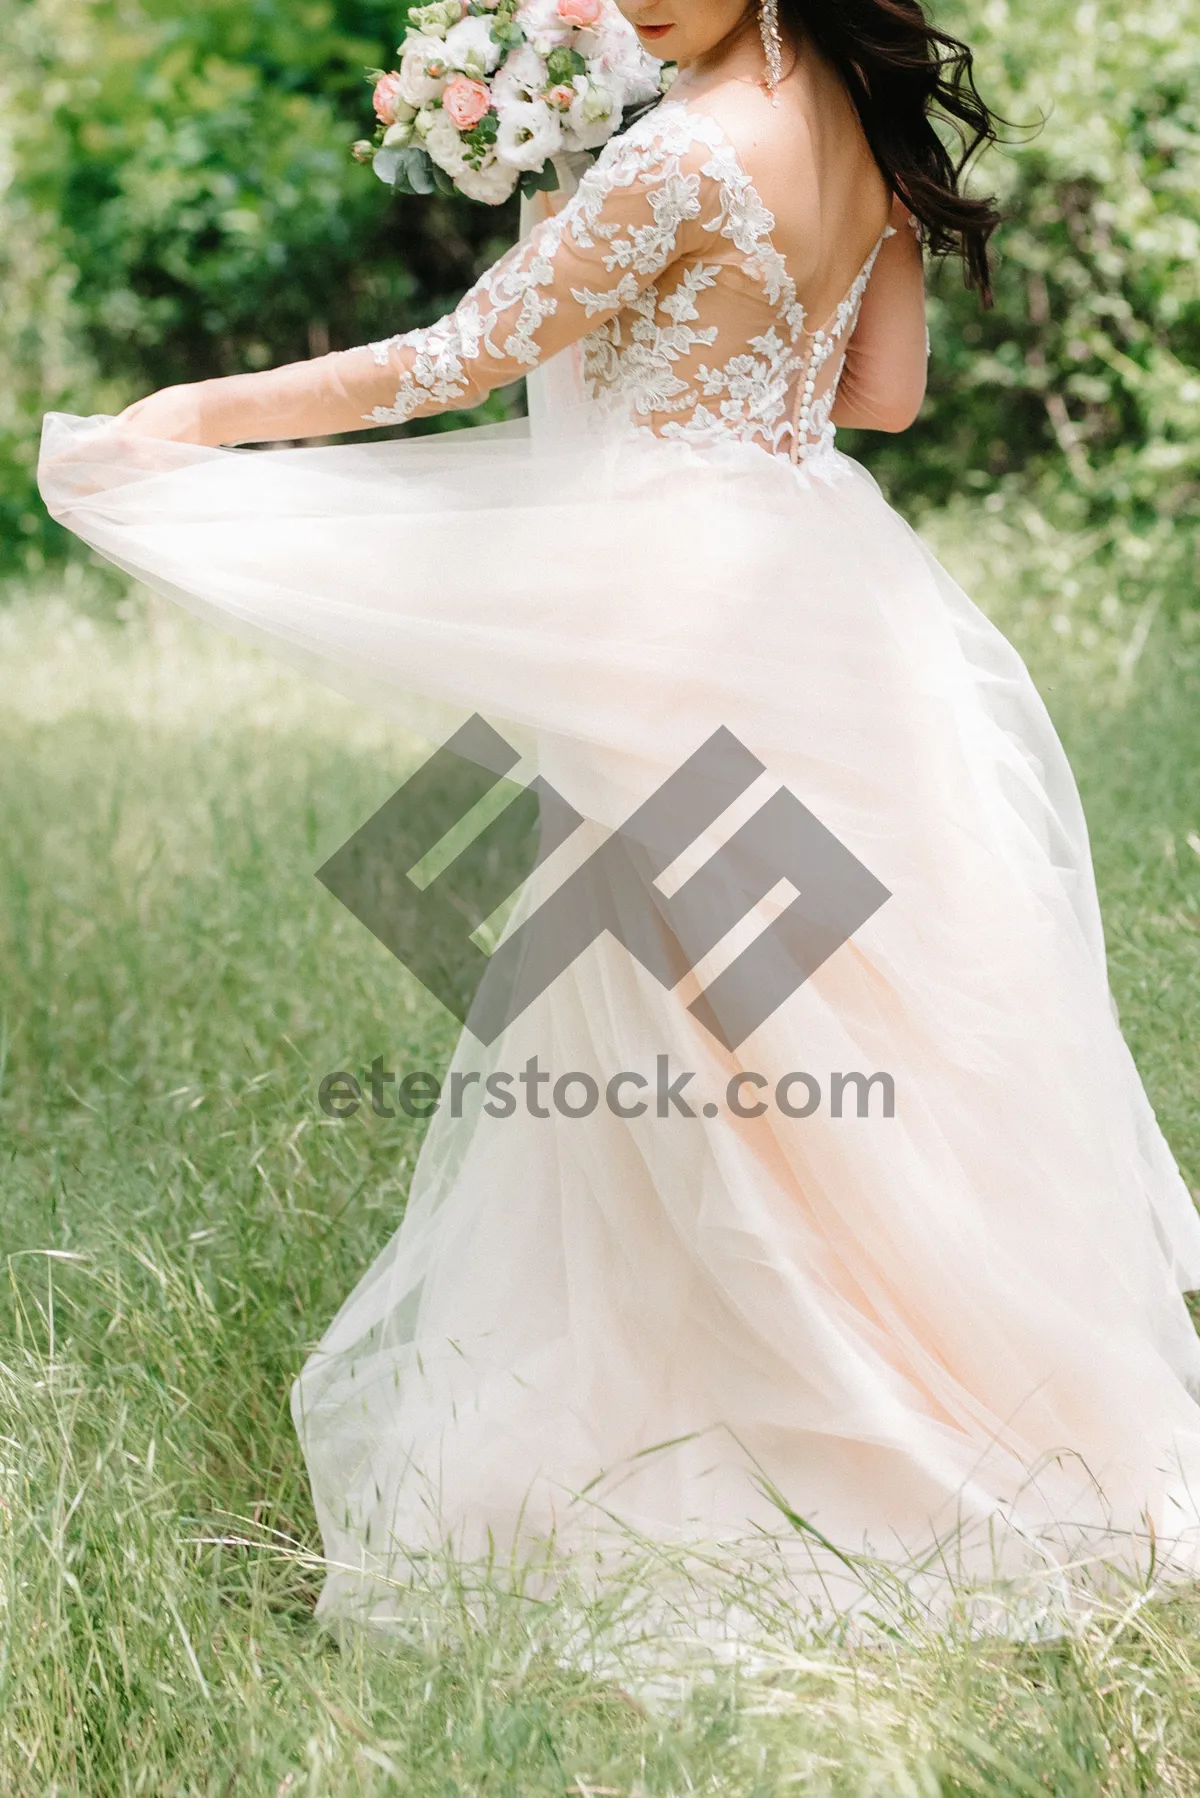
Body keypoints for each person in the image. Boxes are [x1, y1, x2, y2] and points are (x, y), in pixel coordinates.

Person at [39, 0, 1200, 1631]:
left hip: (673, 616)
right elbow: (883, 395)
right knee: (847, 1039)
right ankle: (972, 1401)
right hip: (829, 596)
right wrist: (714, 344)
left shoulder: (679, 151)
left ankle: (753, 1424)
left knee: (693, 1050)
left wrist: (192, 417)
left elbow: (452, 362)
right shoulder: (861, 129)